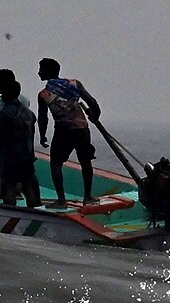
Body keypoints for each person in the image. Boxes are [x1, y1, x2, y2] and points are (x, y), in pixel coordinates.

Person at [37, 58, 102, 207]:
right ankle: (88, 197)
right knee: (85, 162)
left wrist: (42, 135)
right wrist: (95, 116)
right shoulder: (74, 84)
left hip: (63, 131)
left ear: (48, 71)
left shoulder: (44, 94)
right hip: (82, 130)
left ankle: (61, 200)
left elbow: (43, 119)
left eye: (41, 69)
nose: (39, 72)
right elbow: (92, 102)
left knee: (56, 164)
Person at [0, 80, 42, 208]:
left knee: (8, 187)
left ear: (5, 93)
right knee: (29, 186)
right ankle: (35, 212)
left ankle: (10, 213)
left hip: (10, 159)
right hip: (27, 157)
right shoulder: (30, 114)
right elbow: (31, 136)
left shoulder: (2, 114)